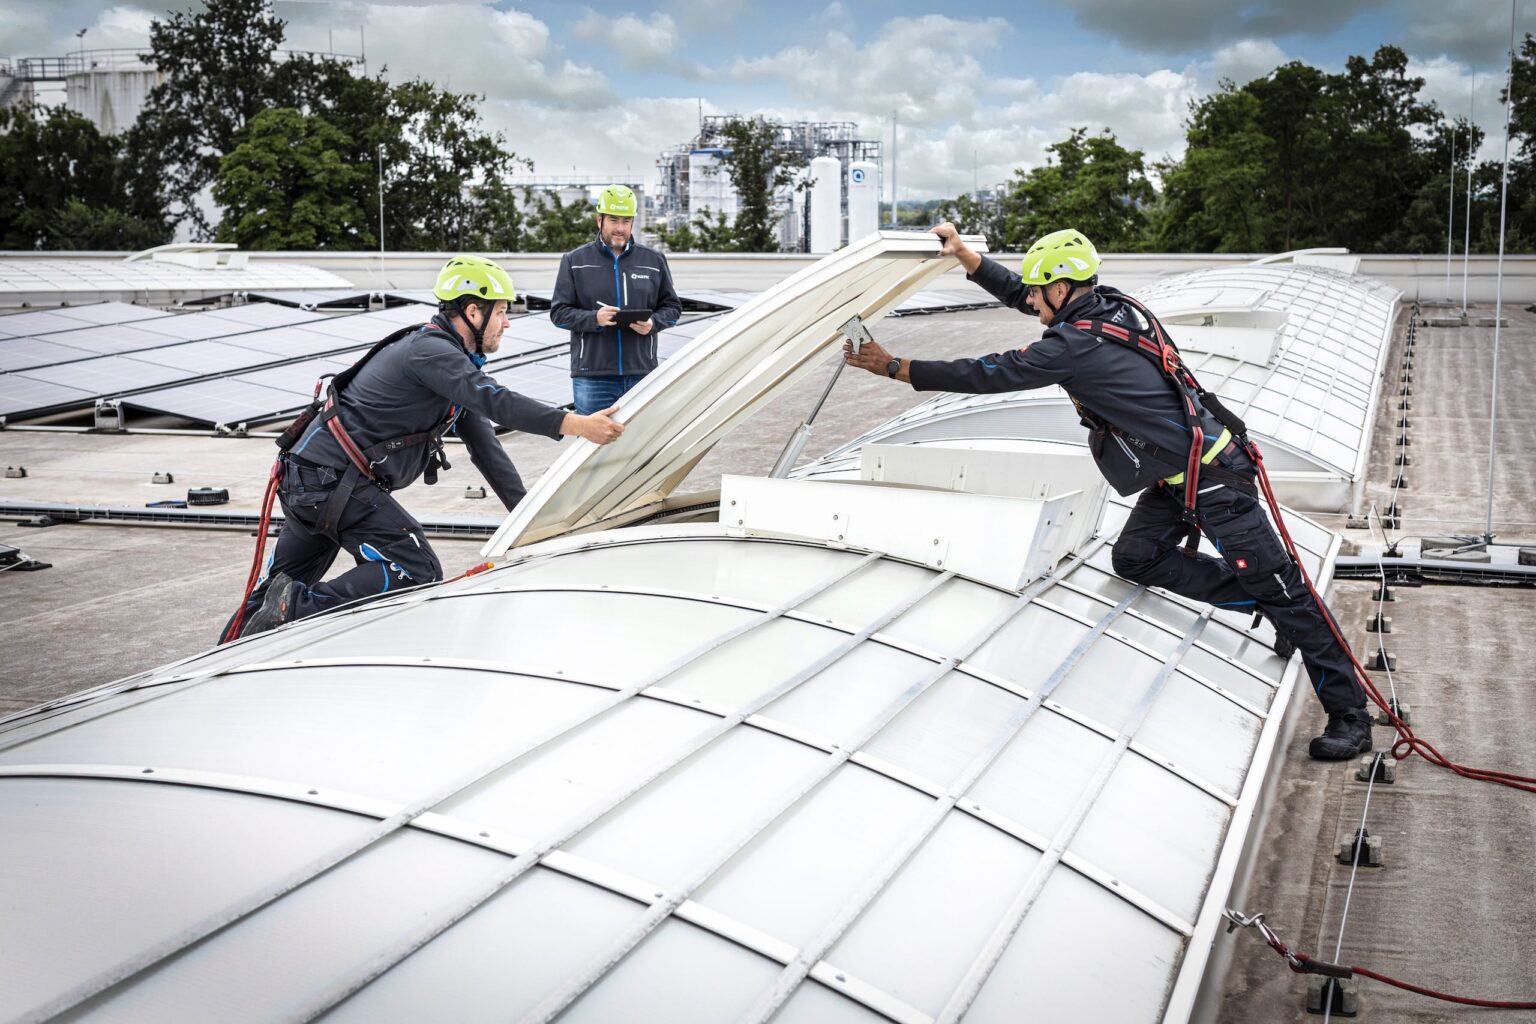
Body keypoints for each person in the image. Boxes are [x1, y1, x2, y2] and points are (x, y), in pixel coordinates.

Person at [841, 224, 1374, 760]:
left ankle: (1350, 715)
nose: (1028, 298)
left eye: (1036, 289)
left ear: (1060, 289)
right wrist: (965, 257)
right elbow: (1023, 298)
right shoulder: (1107, 308)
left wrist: (894, 367)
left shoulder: (1073, 346)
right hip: (1181, 474)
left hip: (1213, 479)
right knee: (1137, 558)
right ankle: (1271, 606)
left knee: (1290, 593)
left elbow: (989, 373)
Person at [232, 255, 624, 638]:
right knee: (414, 567)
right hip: (329, 481)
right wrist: (576, 424)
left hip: (314, 480)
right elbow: (495, 399)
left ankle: (235, 644)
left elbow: (486, 447)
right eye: (502, 311)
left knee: (273, 591)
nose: (506, 322)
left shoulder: (451, 366)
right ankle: (295, 610)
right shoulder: (432, 352)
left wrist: (529, 519)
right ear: (474, 312)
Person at [550, 184, 683, 414]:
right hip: (593, 377)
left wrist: (653, 323)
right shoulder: (574, 261)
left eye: (626, 221)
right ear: (599, 220)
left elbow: (672, 308)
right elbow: (559, 313)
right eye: (613, 220)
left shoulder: (653, 260)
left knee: (643, 444)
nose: (620, 228)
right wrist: (595, 319)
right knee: (595, 446)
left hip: (642, 373)